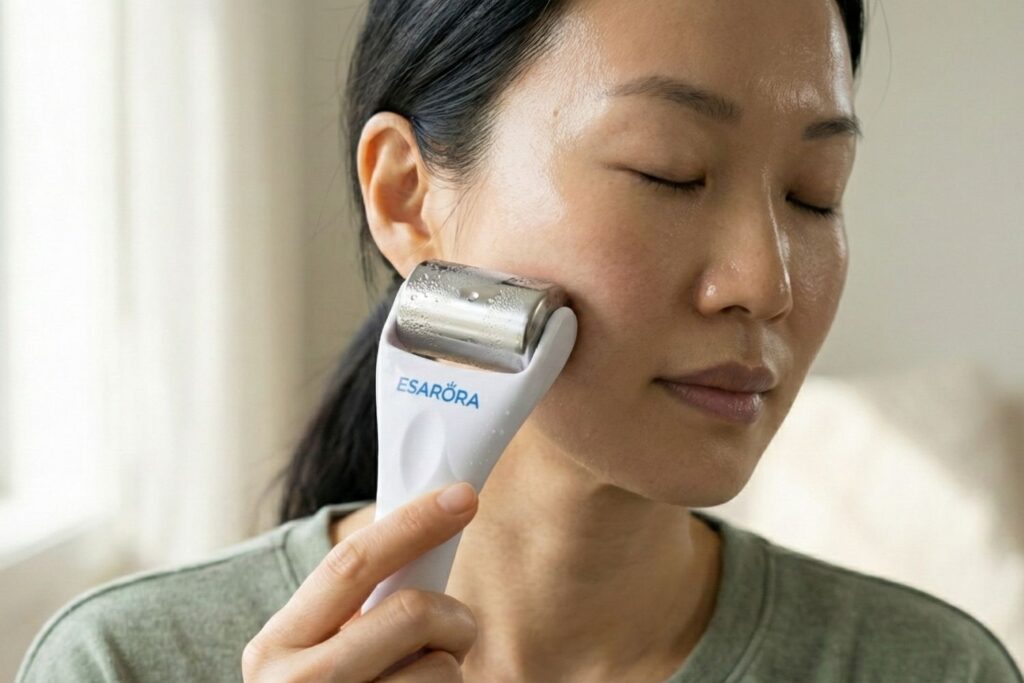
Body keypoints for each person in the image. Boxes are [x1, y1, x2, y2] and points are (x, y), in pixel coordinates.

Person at [16, 0, 1023, 681]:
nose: (765, 281)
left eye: (815, 195)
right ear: (408, 195)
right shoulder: (121, 661)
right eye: (669, 170)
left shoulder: (928, 666)